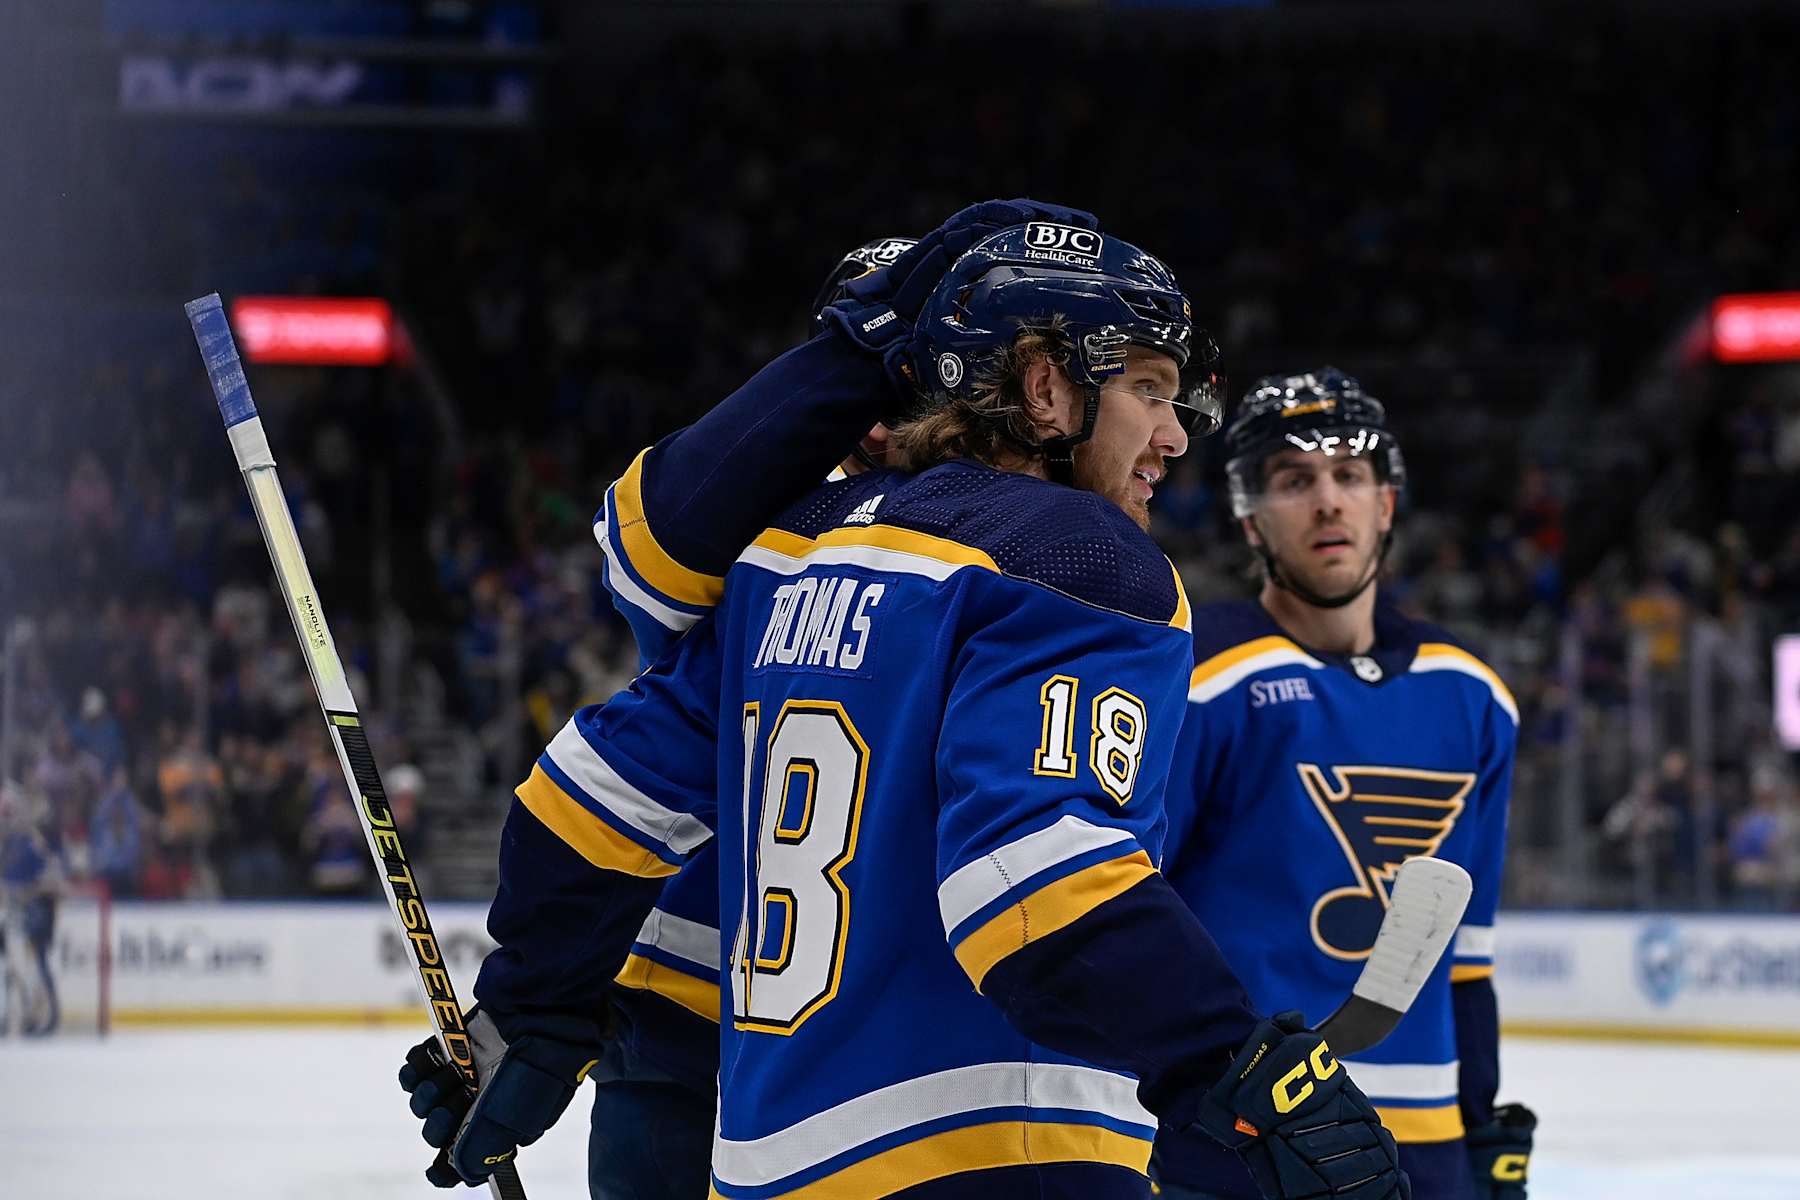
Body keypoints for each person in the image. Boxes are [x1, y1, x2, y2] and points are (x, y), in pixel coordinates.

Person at [398, 224, 1408, 1200]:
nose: (1175, 429)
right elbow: (1030, 886)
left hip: (762, 1160)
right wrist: (1235, 1070)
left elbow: (590, 797)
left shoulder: (785, 552)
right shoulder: (1076, 557)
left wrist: (530, 1008)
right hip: (989, 1146)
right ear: (1047, 387)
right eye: (1148, 385)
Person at [1149, 370, 1533, 1200]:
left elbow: (1466, 958)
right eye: (1295, 481)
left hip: (1424, 1136)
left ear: (1386, 505)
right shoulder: (1196, 675)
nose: (1328, 501)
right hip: (1234, 1141)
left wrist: (1479, 1126)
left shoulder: (1473, 696)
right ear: (1250, 516)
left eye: (1349, 476)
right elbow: (1126, 914)